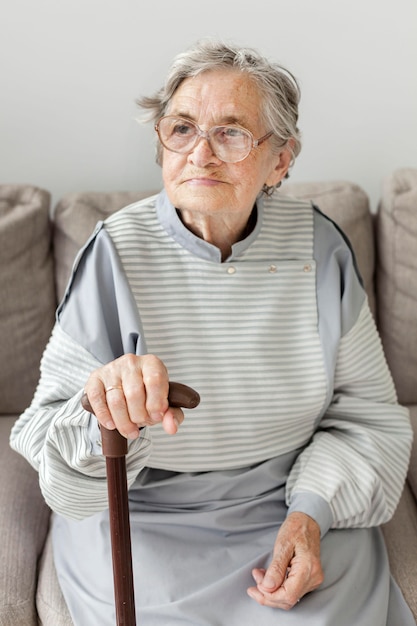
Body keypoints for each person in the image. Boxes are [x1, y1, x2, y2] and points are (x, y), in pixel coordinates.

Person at [10, 39, 414, 625]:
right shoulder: (115, 251)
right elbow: (55, 453)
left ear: (280, 160)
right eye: (181, 129)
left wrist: (310, 515)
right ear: (161, 144)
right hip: (143, 515)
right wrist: (105, 406)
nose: (200, 153)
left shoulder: (319, 246)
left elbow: (370, 417)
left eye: (230, 133)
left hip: (287, 503)